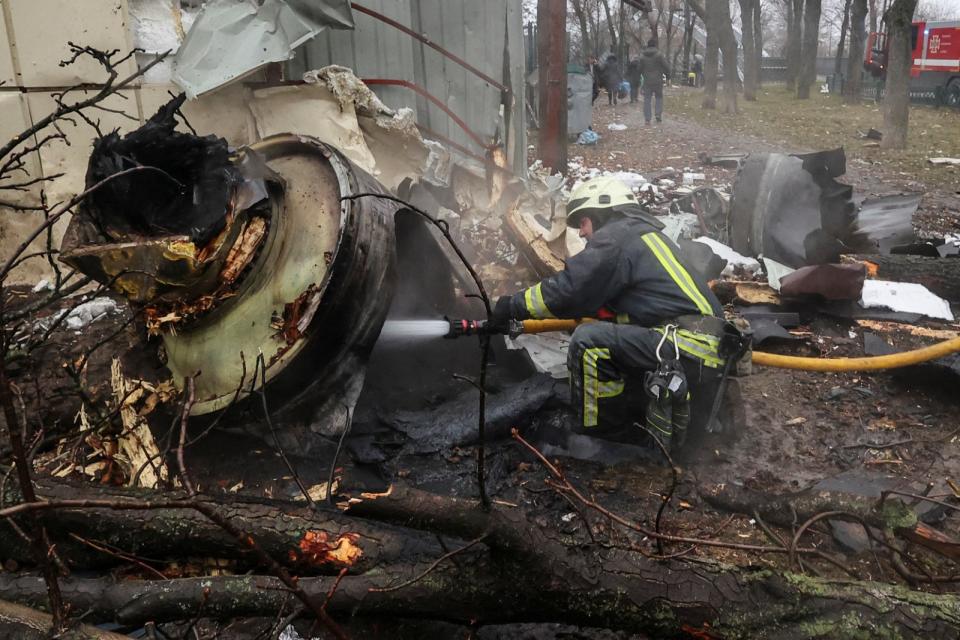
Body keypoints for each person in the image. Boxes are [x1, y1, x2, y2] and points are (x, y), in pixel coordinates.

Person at [489, 177, 735, 453]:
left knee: (588, 343)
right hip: (702, 347)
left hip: (688, 345)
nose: (581, 233)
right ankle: (630, 415)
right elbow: (639, 308)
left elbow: (571, 288)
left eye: (582, 222)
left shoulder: (617, 236)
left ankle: (601, 432)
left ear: (600, 213)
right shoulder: (642, 235)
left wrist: (512, 306)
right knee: (602, 333)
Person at [636, 39, 670, 124]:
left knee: (647, 99)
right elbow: (666, 67)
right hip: (658, 81)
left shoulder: (642, 56)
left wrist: (640, 76)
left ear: (648, 45)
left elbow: (639, 69)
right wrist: (668, 75)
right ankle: (658, 114)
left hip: (647, 81)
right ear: (655, 45)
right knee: (659, 97)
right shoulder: (659, 55)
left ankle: (647, 118)